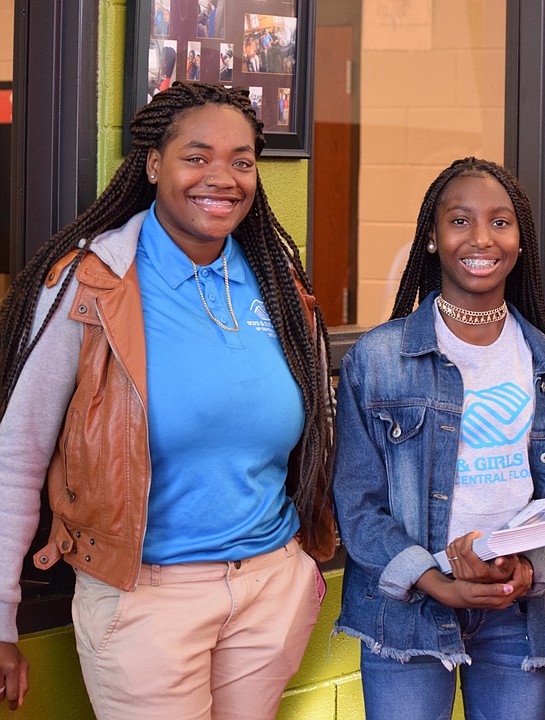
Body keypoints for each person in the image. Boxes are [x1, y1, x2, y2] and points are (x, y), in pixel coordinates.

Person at [0, 82, 336, 717]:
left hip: (269, 588)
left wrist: (299, 569)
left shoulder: (279, 284)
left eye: (242, 161)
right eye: (197, 156)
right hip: (143, 601)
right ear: (155, 164)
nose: (223, 177)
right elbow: (17, 455)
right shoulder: (92, 283)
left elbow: (315, 431)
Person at [332, 157, 545, 719]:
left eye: (500, 222)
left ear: (520, 239)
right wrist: (435, 580)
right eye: (460, 221)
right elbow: (357, 504)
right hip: (406, 610)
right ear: (432, 238)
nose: (481, 238)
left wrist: (528, 570)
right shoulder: (380, 359)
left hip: (518, 612)